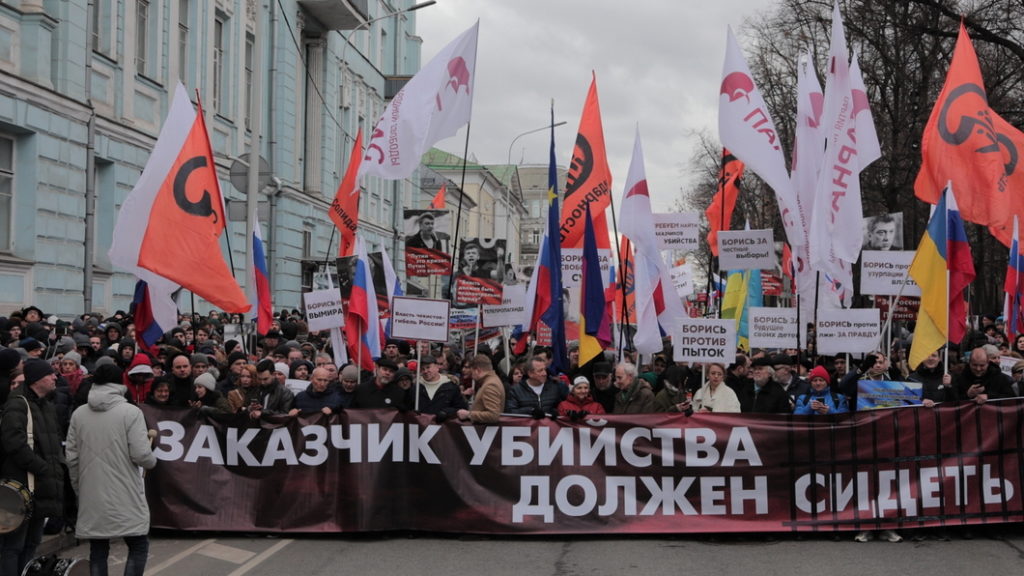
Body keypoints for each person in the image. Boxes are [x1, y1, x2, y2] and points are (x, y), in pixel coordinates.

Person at [66, 363, 157, 576]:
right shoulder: (131, 412)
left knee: (98, 548)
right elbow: (141, 454)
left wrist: (80, 488)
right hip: (125, 491)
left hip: (92, 491)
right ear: (120, 383)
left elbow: (71, 457)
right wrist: (152, 462)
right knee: (138, 545)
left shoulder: (79, 414)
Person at [0, 359, 65, 576]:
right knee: (13, 546)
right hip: (22, 488)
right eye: (50, 374)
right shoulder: (18, 404)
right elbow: (13, 442)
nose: (55, 377)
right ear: (37, 379)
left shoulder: (46, 406)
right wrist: (42, 467)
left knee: (32, 544)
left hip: (42, 487)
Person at [457, 355, 505, 424]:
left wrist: (468, 414)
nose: (472, 376)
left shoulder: (490, 385)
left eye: (472, 372)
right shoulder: (491, 381)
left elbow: (493, 415)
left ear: (478, 371)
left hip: (485, 431)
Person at [415, 356, 467, 420]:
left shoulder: (451, 387)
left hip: (444, 428)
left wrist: (446, 412)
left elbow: (461, 408)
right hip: (420, 427)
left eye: (428, 367)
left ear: (437, 367)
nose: (425, 371)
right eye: (422, 369)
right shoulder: (416, 387)